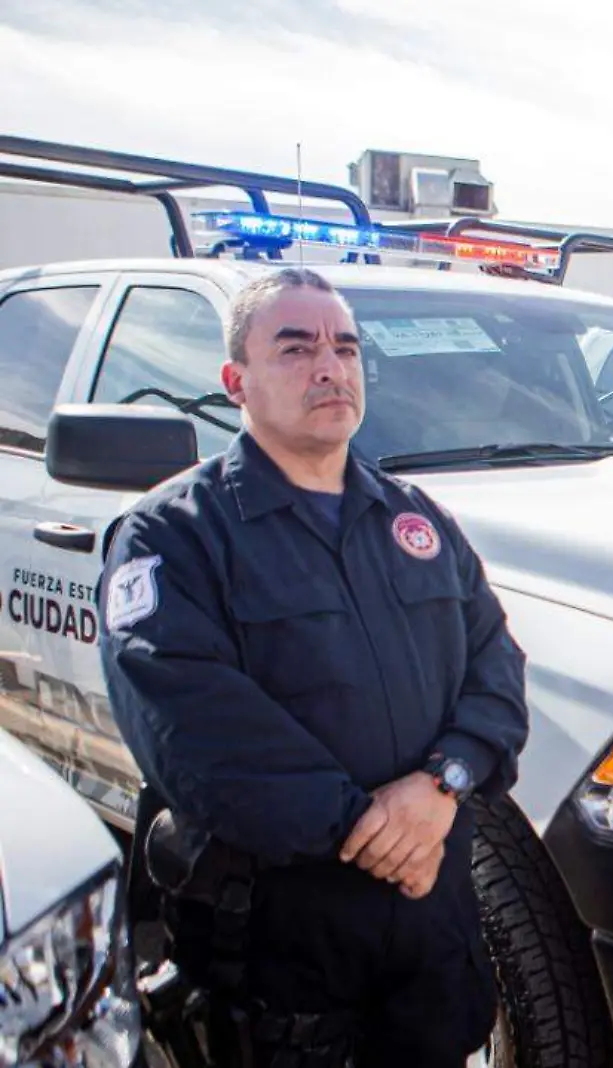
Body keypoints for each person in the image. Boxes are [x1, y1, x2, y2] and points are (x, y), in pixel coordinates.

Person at [100, 268, 530, 1066]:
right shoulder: (174, 536)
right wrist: (379, 835)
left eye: (344, 347)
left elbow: (495, 666)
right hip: (280, 960)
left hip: (430, 946)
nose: (329, 366)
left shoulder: (415, 518)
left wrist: (446, 784)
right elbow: (194, 730)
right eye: (295, 348)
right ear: (237, 381)